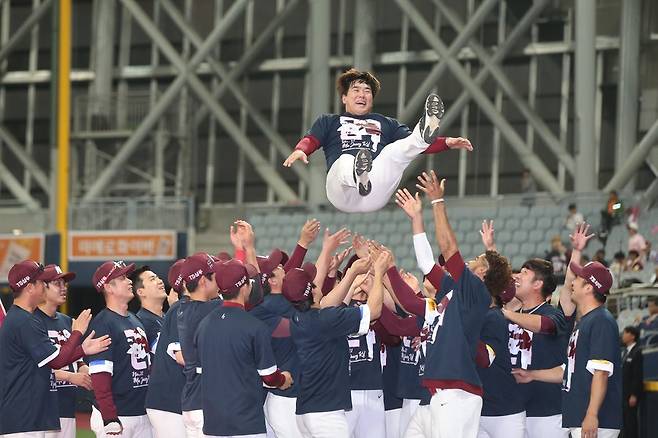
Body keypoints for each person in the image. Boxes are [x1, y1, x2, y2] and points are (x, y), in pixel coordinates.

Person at [389, 173, 512, 438]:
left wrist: (438, 201)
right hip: (443, 392)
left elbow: (448, 247)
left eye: (479, 259)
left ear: (483, 274)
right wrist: (416, 219)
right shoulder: (458, 290)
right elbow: (426, 264)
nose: (472, 260)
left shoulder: (476, 291)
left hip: (457, 394)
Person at [283, 68, 473, 213]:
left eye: (367, 91)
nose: (362, 95)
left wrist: (447, 142)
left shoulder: (386, 123)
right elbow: (311, 139)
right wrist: (301, 150)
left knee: (395, 152)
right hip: (342, 192)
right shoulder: (329, 121)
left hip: (374, 188)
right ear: (344, 98)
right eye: (355, 90)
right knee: (345, 161)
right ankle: (358, 175)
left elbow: (410, 148)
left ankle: (423, 132)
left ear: (372, 99)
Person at [0, 260, 109, 438]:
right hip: (23, 417)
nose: (45, 285)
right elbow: (56, 361)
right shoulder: (24, 321)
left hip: (33, 414)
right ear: (29, 287)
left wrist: (82, 350)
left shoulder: (24, 319)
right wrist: (77, 333)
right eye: (42, 282)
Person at [514, 260, 622, 438]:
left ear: (589, 287)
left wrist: (592, 414)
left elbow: (601, 372)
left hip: (597, 420)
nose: (572, 282)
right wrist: (532, 375)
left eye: (578, 278)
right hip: (579, 417)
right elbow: (569, 370)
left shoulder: (601, 320)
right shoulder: (586, 321)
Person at [286, 249, 387, 438]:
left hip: (306, 411)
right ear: (312, 291)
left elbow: (326, 304)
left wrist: (351, 275)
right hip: (327, 415)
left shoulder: (298, 317)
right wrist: (380, 272)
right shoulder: (324, 320)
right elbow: (374, 311)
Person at [196, 259, 294, 438]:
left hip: (213, 422)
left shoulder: (204, 324)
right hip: (245, 422)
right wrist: (283, 379)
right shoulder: (254, 326)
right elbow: (269, 377)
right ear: (245, 287)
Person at [87, 260, 154, 438]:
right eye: (123, 277)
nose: (130, 281)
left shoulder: (135, 319)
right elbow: (100, 376)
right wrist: (109, 418)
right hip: (119, 415)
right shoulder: (102, 323)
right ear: (109, 287)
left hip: (142, 412)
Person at [34, 265, 92, 438]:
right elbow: (33, 368)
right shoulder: (31, 321)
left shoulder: (68, 321)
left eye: (64, 283)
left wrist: (82, 366)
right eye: (57, 283)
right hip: (41, 407)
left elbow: (74, 357)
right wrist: (70, 376)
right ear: (42, 287)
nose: (63, 287)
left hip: (66, 404)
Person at [144, 259, 188, 438]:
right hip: (167, 400)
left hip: (172, 397)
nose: (159, 281)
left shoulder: (174, 311)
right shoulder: (178, 311)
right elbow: (180, 357)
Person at [130, 266, 168, 353]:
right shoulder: (140, 323)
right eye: (152, 279)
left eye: (158, 278)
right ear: (140, 292)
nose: (160, 281)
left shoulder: (168, 317)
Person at [621, 326, 643, 438]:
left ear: (632, 336)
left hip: (630, 394)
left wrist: (634, 394)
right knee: (624, 423)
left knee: (631, 422)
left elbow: (637, 375)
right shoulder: (625, 352)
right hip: (623, 394)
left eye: (625, 333)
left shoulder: (637, 352)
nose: (623, 335)